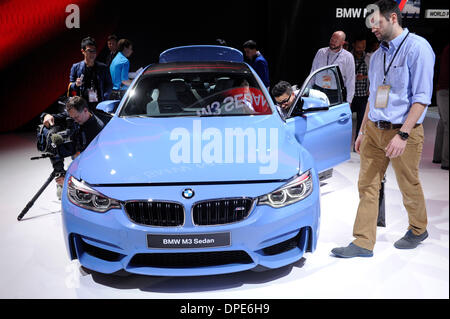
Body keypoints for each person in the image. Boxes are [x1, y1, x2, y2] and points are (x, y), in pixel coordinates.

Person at [331, 0, 435, 258]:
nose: (373, 28)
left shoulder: (418, 48)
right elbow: (373, 96)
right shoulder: (378, 55)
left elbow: (421, 98)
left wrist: (403, 134)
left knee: (408, 183)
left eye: (376, 23)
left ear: (392, 18)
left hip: (403, 131)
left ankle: (418, 228)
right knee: (367, 184)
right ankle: (363, 242)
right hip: (374, 130)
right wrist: (363, 130)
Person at [41, 96, 106, 199]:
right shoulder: (74, 114)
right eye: (72, 118)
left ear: (85, 110)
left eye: (76, 117)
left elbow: (93, 164)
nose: (74, 120)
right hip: (77, 150)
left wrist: (68, 178)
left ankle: (65, 179)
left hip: (89, 161)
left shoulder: (97, 129)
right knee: (53, 140)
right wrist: (46, 116)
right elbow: (54, 117)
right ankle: (60, 173)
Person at [68, 37, 113, 112]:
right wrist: (76, 84)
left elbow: (109, 84)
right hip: (81, 105)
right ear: (83, 51)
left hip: (99, 103)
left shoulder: (103, 67)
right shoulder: (76, 67)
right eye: (89, 51)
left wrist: (104, 98)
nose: (92, 54)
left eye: (94, 51)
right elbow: (71, 86)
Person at [311, 31, 355, 104]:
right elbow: (313, 72)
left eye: (336, 41)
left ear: (342, 43)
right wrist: (307, 90)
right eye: (332, 39)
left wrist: (349, 101)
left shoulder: (348, 57)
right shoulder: (321, 52)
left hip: (335, 94)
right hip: (317, 90)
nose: (333, 42)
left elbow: (350, 80)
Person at [351, 37, 371, 148]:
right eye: (359, 46)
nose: (361, 49)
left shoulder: (368, 57)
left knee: (361, 122)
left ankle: (356, 145)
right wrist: (355, 78)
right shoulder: (349, 56)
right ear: (354, 45)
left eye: (363, 46)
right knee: (345, 122)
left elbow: (373, 74)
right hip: (351, 95)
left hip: (364, 95)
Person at [433, 44, 449, 170]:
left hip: (442, 88)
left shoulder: (446, 49)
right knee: (446, 123)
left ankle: (438, 156)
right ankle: (446, 161)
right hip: (445, 90)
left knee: (443, 123)